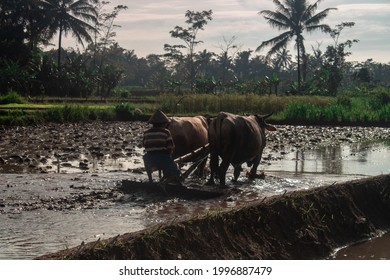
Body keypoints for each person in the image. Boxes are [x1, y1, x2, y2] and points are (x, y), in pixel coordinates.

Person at [142, 110, 182, 185]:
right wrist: (169, 156)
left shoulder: (146, 133)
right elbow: (170, 147)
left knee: (146, 157)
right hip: (162, 157)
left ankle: (151, 181)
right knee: (177, 172)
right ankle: (164, 183)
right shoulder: (166, 132)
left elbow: (144, 145)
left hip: (149, 159)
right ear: (163, 123)